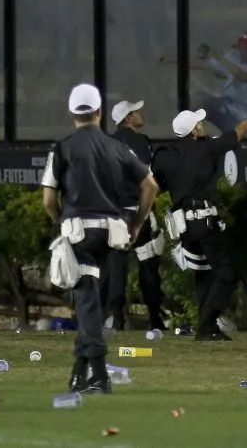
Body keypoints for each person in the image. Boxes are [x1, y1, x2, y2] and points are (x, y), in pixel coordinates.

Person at [41, 83, 159, 393]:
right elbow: (151, 186)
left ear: (71, 113)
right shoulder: (118, 147)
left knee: (87, 299)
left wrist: (60, 223)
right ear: (99, 112)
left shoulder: (62, 148)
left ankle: (99, 373)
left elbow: (48, 200)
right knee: (93, 300)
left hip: (80, 230)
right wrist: (135, 224)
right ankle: (79, 373)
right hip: (114, 232)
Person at [152, 93, 247, 341]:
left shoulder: (165, 155)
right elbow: (244, 128)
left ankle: (206, 325)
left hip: (184, 226)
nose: (202, 125)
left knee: (203, 272)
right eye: (199, 123)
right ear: (193, 131)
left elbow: (154, 187)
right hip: (204, 222)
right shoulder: (207, 146)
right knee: (226, 273)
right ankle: (206, 325)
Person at [101, 99, 168, 332]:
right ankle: (155, 319)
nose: (141, 114)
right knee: (148, 265)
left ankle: (117, 319)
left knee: (117, 265)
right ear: (128, 118)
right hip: (140, 213)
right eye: (137, 111)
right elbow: (148, 180)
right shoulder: (142, 142)